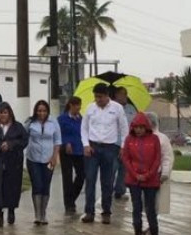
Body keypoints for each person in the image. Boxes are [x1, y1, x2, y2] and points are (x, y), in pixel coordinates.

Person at [81, 83, 129, 224]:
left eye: (100, 97)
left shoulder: (117, 108)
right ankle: (89, 212)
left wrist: (123, 146)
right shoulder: (90, 108)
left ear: (107, 95)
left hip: (110, 148)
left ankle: (106, 212)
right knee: (90, 180)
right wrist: (85, 145)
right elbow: (84, 128)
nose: (98, 99)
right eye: (96, 97)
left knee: (107, 182)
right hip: (93, 148)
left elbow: (124, 128)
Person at [121, 112, 163, 235]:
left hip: (150, 180)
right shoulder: (129, 140)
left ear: (146, 127)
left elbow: (157, 159)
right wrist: (135, 174)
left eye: (141, 127)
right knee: (136, 208)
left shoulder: (154, 139)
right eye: (136, 127)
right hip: (134, 180)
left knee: (151, 209)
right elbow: (126, 158)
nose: (138, 130)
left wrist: (148, 174)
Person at [25, 100, 62, 226]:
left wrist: (54, 156)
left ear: (47, 111)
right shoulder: (30, 122)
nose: (42, 113)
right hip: (33, 158)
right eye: (39, 110)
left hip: (49, 158)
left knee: (46, 185)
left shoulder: (53, 122)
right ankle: (37, 214)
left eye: (44, 110)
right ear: (36, 111)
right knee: (37, 184)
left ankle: (43, 213)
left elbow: (57, 141)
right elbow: (23, 137)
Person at [142, 112, 174, 235]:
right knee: (145, 203)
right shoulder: (141, 137)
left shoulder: (162, 138)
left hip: (157, 176)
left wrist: (165, 173)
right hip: (142, 177)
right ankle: (150, 225)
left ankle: (152, 228)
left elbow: (167, 157)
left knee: (154, 204)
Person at [57, 97, 86, 215]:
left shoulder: (81, 119)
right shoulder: (61, 119)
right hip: (66, 151)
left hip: (79, 150)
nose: (78, 108)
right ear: (70, 105)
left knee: (81, 175)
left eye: (79, 105)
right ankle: (69, 204)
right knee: (67, 177)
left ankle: (71, 198)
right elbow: (58, 134)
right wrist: (66, 142)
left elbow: (84, 133)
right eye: (76, 105)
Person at [112, 86, 137, 200]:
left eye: (125, 94)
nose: (124, 96)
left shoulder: (131, 109)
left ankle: (120, 190)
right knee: (113, 167)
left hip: (129, 143)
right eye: (121, 94)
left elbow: (136, 124)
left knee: (125, 168)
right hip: (114, 143)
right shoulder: (111, 108)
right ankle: (108, 188)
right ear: (116, 95)